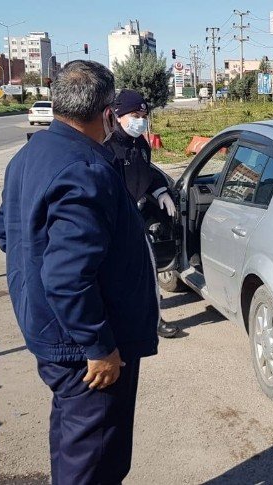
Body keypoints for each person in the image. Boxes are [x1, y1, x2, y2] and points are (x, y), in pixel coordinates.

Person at [0, 60, 159, 485]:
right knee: (96, 459)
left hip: (53, 331)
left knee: (74, 442)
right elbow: (68, 276)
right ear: (106, 113)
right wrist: (98, 345)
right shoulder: (86, 169)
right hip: (85, 348)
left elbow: (5, 231)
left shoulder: (30, 155)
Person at [102, 89, 179, 339]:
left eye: (144, 116)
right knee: (112, 276)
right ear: (118, 115)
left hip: (136, 219)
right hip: (111, 223)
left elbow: (148, 173)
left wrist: (160, 192)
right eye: (135, 115)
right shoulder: (108, 146)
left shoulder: (141, 144)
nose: (140, 121)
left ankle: (154, 320)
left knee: (148, 269)